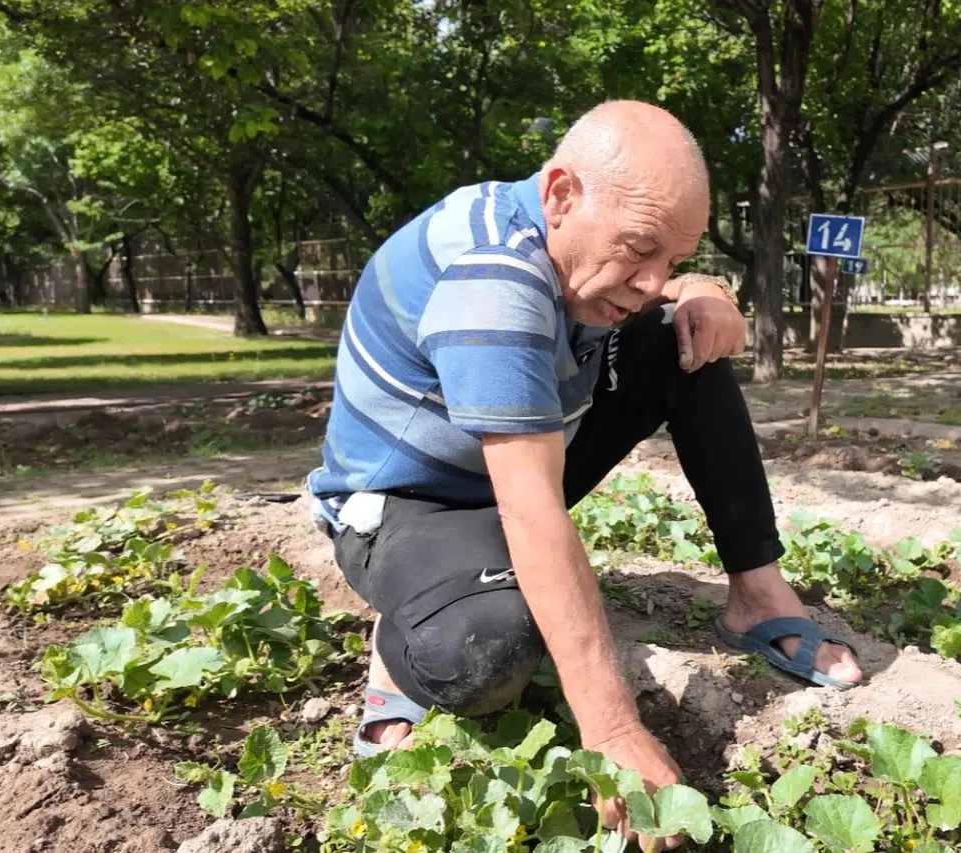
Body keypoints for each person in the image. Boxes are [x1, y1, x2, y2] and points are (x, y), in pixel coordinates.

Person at [307, 99, 863, 847]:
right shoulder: (492, 275)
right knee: (483, 648)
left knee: (685, 346)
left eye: (669, 256)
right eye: (641, 249)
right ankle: (401, 646)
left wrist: (700, 290)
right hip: (412, 500)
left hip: (515, 461)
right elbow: (534, 510)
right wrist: (612, 725)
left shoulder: (573, 246)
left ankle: (758, 598)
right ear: (562, 194)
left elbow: (654, 280)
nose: (647, 279)